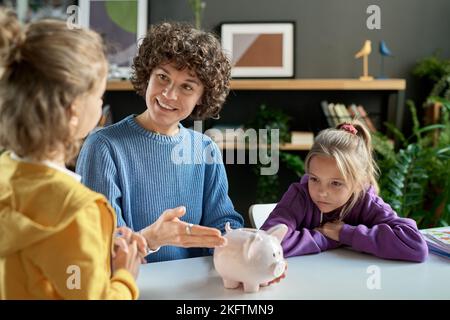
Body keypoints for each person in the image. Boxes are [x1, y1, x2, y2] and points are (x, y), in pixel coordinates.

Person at [0, 10, 147, 299]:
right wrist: (125, 277)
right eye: (98, 96)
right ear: (73, 112)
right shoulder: (77, 210)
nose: (102, 103)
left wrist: (97, 248)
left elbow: (51, 270)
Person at [76, 22, 244, 263]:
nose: (169, 94)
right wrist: (152, 238)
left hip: (194, 288)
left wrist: (246, 248)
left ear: (201, 97)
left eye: (187, 86)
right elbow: (103, 245)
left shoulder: (205, 149)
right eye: (163, 77)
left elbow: (222, 224)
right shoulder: (103, 146)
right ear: (148, 75)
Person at [261, 121, 428, 262]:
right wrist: (328, 238)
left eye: (335, 183)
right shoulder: (300, 196)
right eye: (314, 179)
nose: (321, 192)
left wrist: (344, 233)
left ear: (359, 182)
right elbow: (266, 244)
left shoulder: (367, 202)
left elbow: (415, 245)